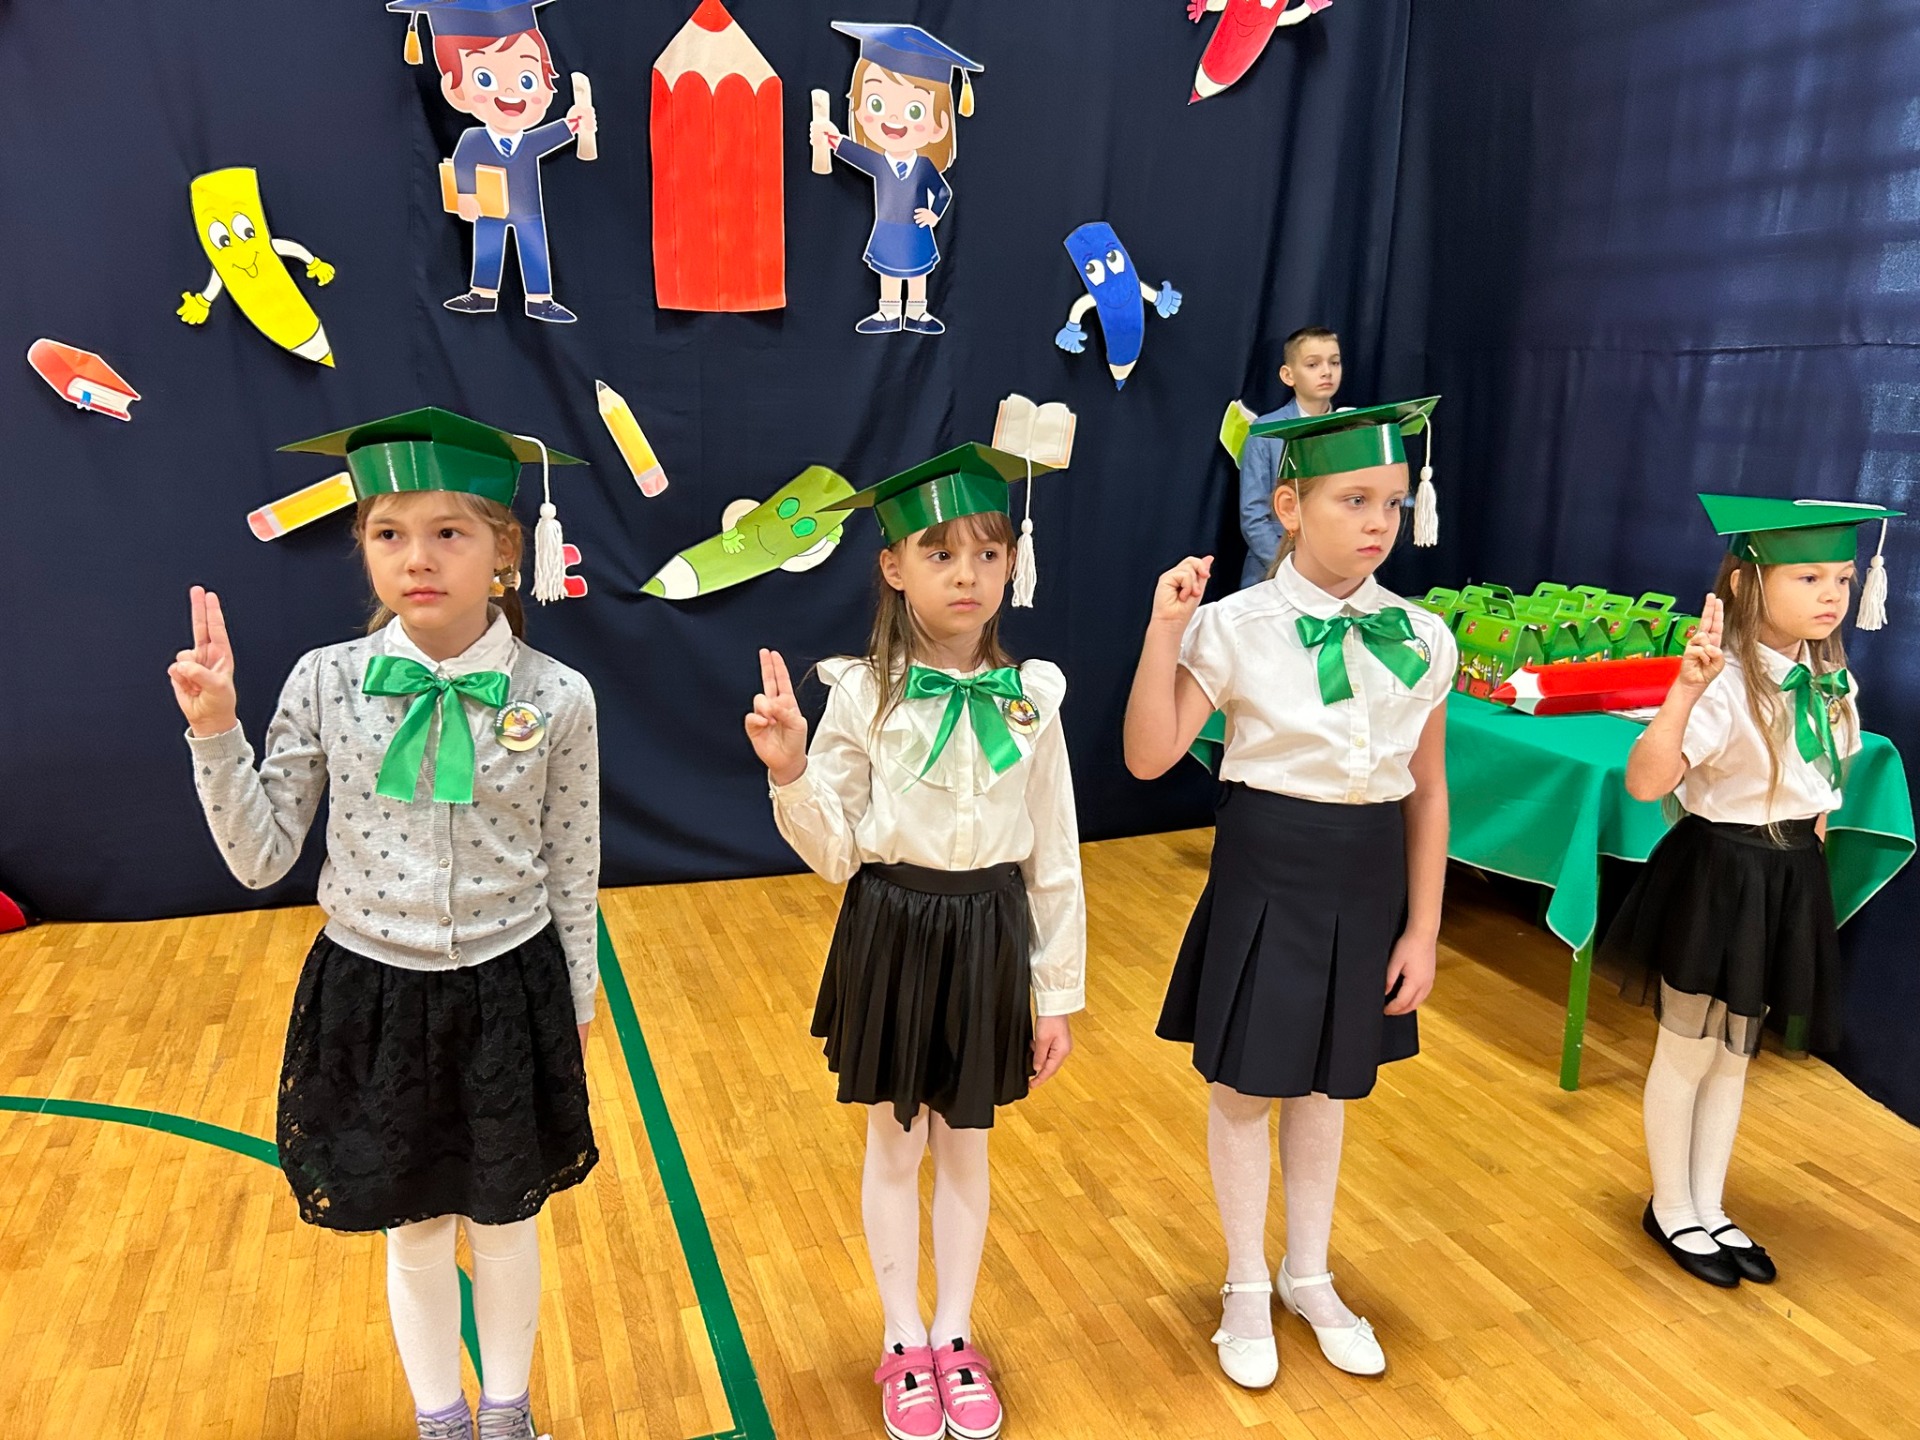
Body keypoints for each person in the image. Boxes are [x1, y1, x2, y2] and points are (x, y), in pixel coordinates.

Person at [169, 408, 600, 1440]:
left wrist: (578, 1003)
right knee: (415, 1228)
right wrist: (216, 731)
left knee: (505, 1222)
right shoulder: (327, 681)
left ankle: (508, 1416)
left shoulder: (559, 696)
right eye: (388, 533)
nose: (417, 558)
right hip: (373, 993)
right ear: (364, 547)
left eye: (449, 532)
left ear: (506, 548)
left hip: (508, 989)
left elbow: (573, 864)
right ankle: (439, 1418)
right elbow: (261, 856)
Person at [745, 445, 1084, 1440]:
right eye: (940, 554)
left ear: (1012, 563)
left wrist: (1057, 992)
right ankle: (902, 1340)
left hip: (991, 935)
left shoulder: (1036, 696)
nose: (966, 574)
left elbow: (1055, 854)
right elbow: (836, 853)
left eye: (987, 552)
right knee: (895, 1144)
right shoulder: (862, 693)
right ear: (894, 567)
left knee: (967, 1146)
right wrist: (791, 771)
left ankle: (955, 1334)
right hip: (893, 928)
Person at [1124, 400, 1453, 1388]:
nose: (1378, 522)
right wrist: (1164, 632)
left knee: (1325, 1084)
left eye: (1391, 502)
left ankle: (1308, 1274)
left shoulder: (1423, 635)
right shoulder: (1233, 626)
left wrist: (1424, 928)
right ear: (1291, 506)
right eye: (1354, 500)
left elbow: (1430, 790)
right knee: (1245, 1087)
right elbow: (1148, 757)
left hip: (1368, 878)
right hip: (1268, 869)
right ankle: (1242, 1284)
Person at [1607, 493, 1900, 1288]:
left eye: (1842, 578)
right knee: (1688, 1049)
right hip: (1718, 875)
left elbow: (1823, 791)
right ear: (1745, 584)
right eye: (1809, 577)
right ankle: (1671, 1205)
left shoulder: (1830, 679)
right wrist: (1683, 691)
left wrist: (1807, 877)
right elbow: (1646, 784)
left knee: (1738, 1054)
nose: (1832, 594)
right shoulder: (1724, 683)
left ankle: (1711, 1202)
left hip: (1785, 877)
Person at [809, 23, 982, 336]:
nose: (893, 120)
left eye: (914, 111)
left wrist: (933, 214)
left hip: (916, 230)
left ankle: (917, 313)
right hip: (887, 228)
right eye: (876, 104)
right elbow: (854, 153)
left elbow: (943, 192)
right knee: (887, 273)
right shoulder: (879, 162)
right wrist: (832, 138)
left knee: (917, 274)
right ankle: (888, 312)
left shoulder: (924, 166)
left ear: (939, 126)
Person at [1238, 326, 1341, 586]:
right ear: (1288, 375)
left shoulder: (1351, 427)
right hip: (1272, 573)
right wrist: (1291, 567)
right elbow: (1253, 516)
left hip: (1336, 569)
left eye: (1334, 362)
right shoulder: (1266, 431)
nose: (1327, 372)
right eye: (1313, 364)